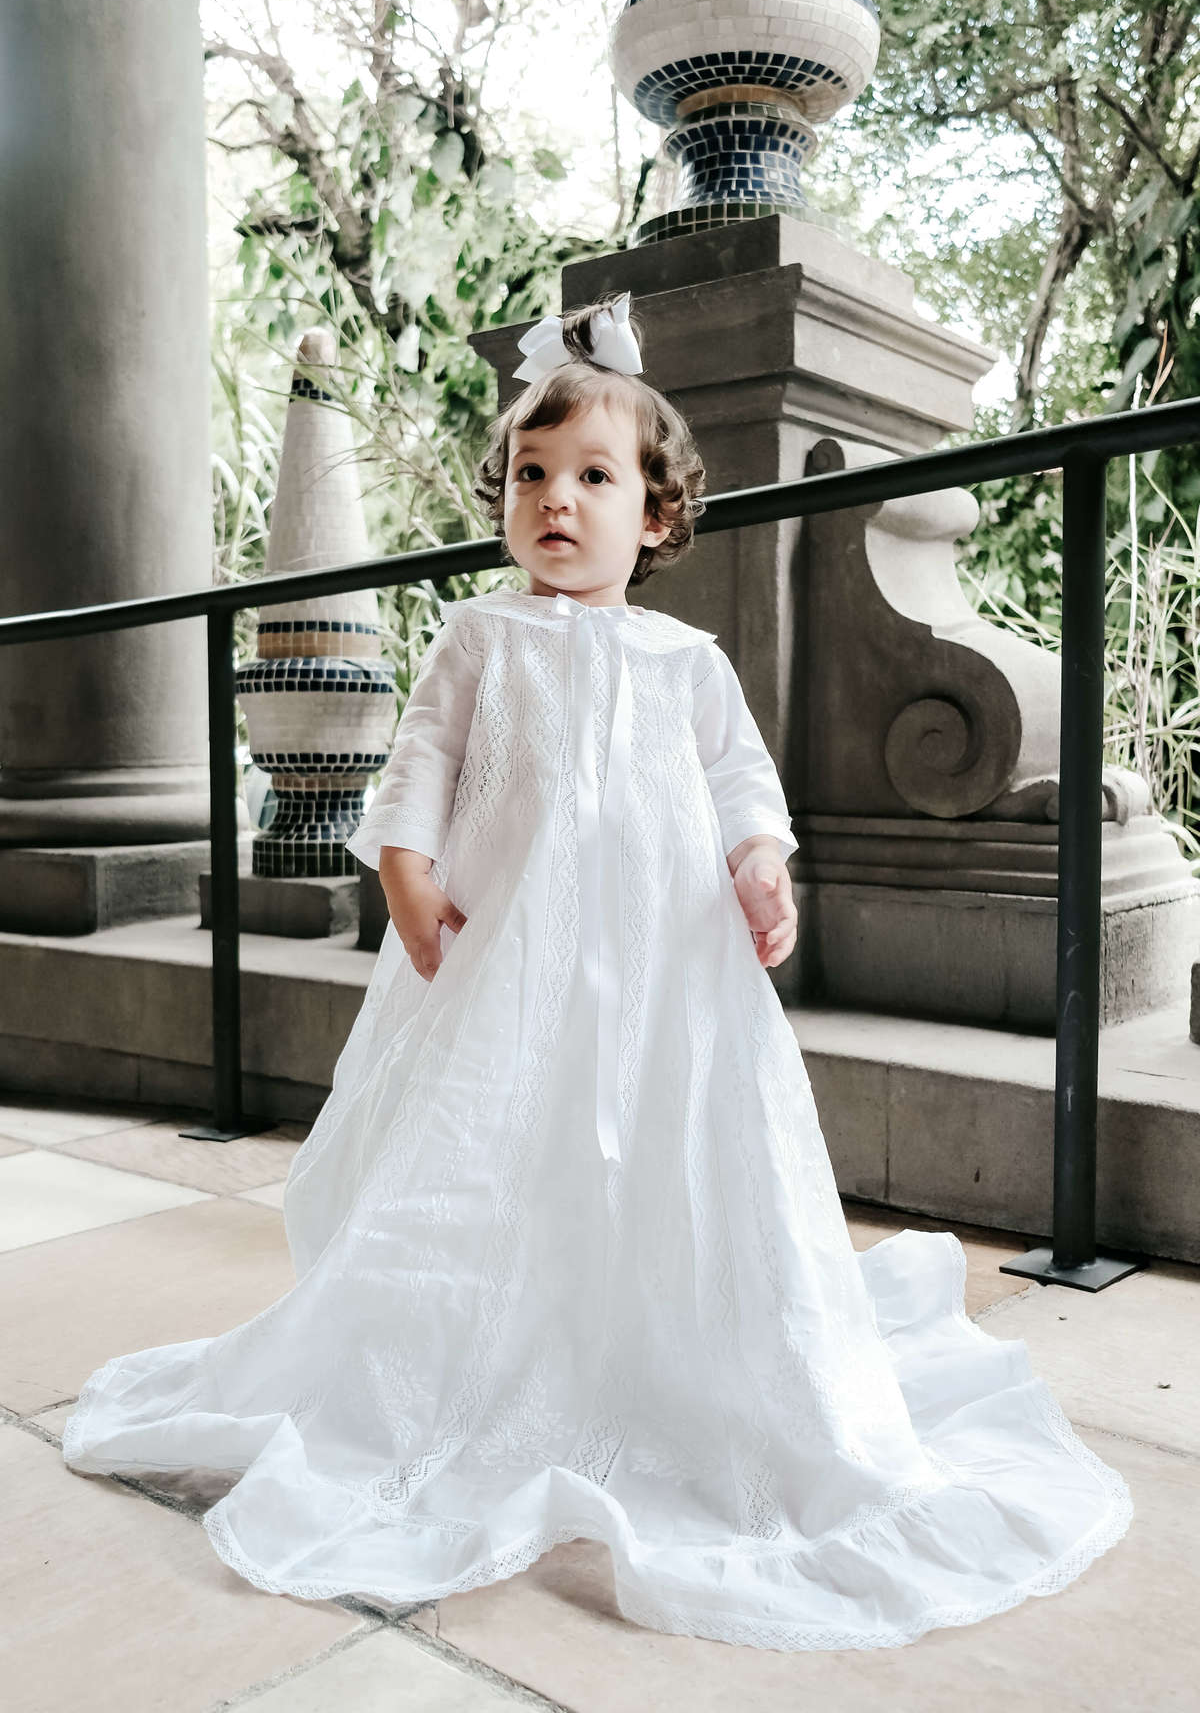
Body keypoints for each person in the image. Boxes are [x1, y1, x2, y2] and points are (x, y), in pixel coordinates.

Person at [62, 291, 1132, 1649]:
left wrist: (758, 862)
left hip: (663, 981)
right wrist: (404, 867)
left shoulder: (686, 659)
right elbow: (421, 770)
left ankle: (661, 1346)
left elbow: (741, 779)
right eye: (532, 473)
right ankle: (468, 1355)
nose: (556, 500)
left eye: (593, 477)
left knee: (660, 1160)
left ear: (657, 515)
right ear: (504, 496)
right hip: (508, 969)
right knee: (493, 1158)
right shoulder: (479, 639)